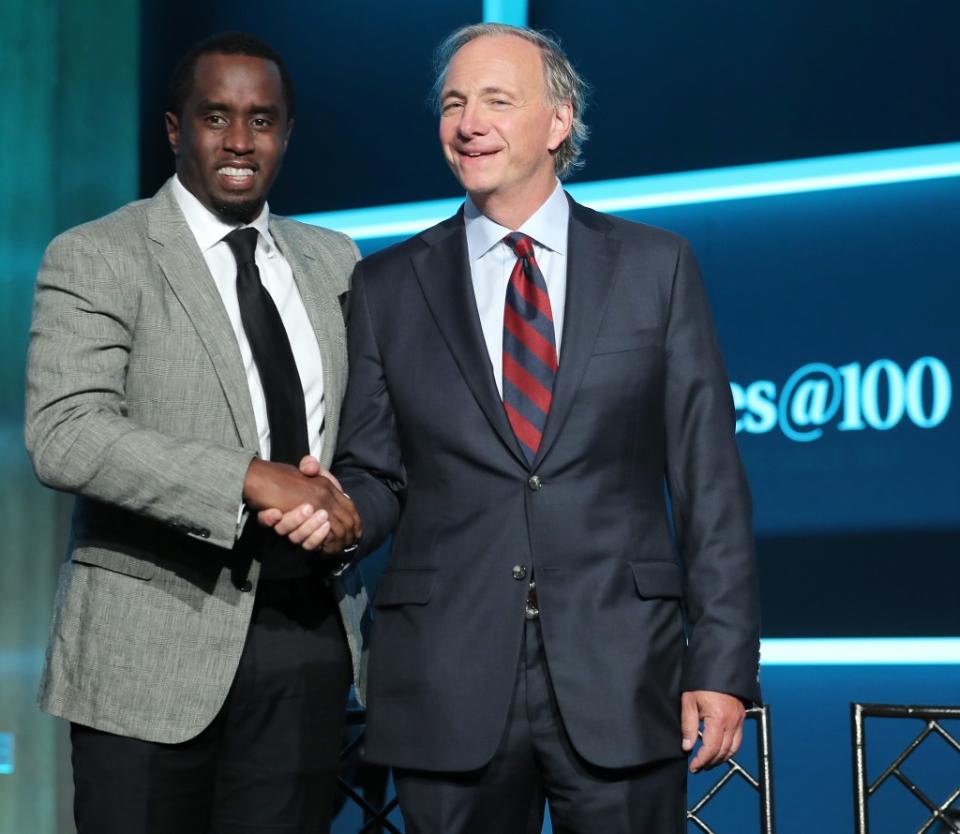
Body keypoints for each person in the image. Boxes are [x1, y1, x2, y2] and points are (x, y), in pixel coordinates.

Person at [267, 22, 761, 834]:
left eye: (498, 100)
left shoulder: (655, 267)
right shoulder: (387, 285)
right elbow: (377, 473)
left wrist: (723, 666)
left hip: (621, 672)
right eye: (455, 103)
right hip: (447, 677)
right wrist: (337, 510)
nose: (470, 122)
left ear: (558, 122)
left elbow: (710, 483)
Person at [25, 31, 365, 834]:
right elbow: (65, 431)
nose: (241, 141)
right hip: (148, 647)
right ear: (176, 129)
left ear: (286, 132)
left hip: (305, 640)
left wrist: (354, 513)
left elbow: (369, 437)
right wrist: (249, 476)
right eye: (217, 118)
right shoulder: (99, 254)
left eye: (262, 119)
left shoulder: (338, 262)